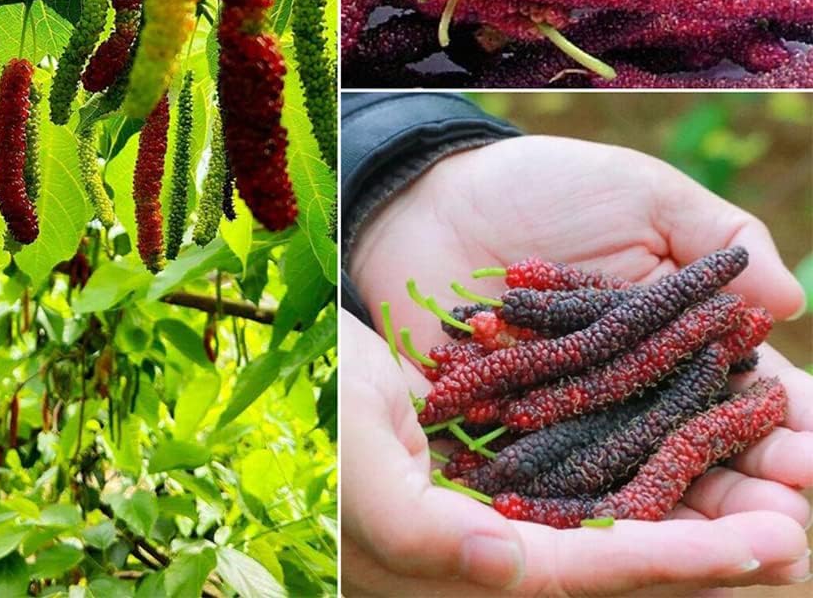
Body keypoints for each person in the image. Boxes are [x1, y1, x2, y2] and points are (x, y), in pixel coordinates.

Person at [341, 92, 812, 596]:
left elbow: (624, 366)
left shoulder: (699, 346)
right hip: (564, 397)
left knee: (629, 375)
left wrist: (397, 171)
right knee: (610, 367)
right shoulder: (530, 350)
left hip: (634, 382)